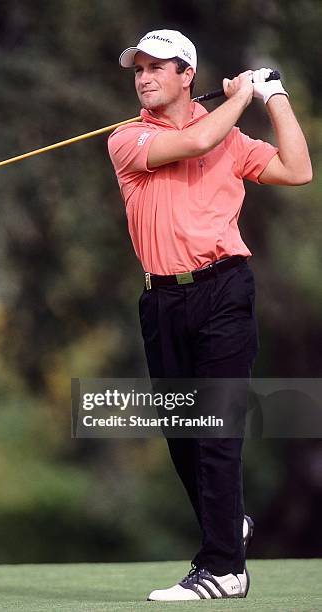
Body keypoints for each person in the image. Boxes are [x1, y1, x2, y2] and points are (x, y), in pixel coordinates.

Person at [108, 29, 312, 601]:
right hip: (162, 300)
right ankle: (230, 526)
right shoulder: (126, 139)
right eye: (138, 69)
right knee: (182, 436)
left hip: (224, 291)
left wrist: (274, 96)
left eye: (157, 67)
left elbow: (298, 171)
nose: (144, 77)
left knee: (217, 431)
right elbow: (196, 143)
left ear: (185, 74)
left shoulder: (230, 138)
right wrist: (241, 97)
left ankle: (224, 568)